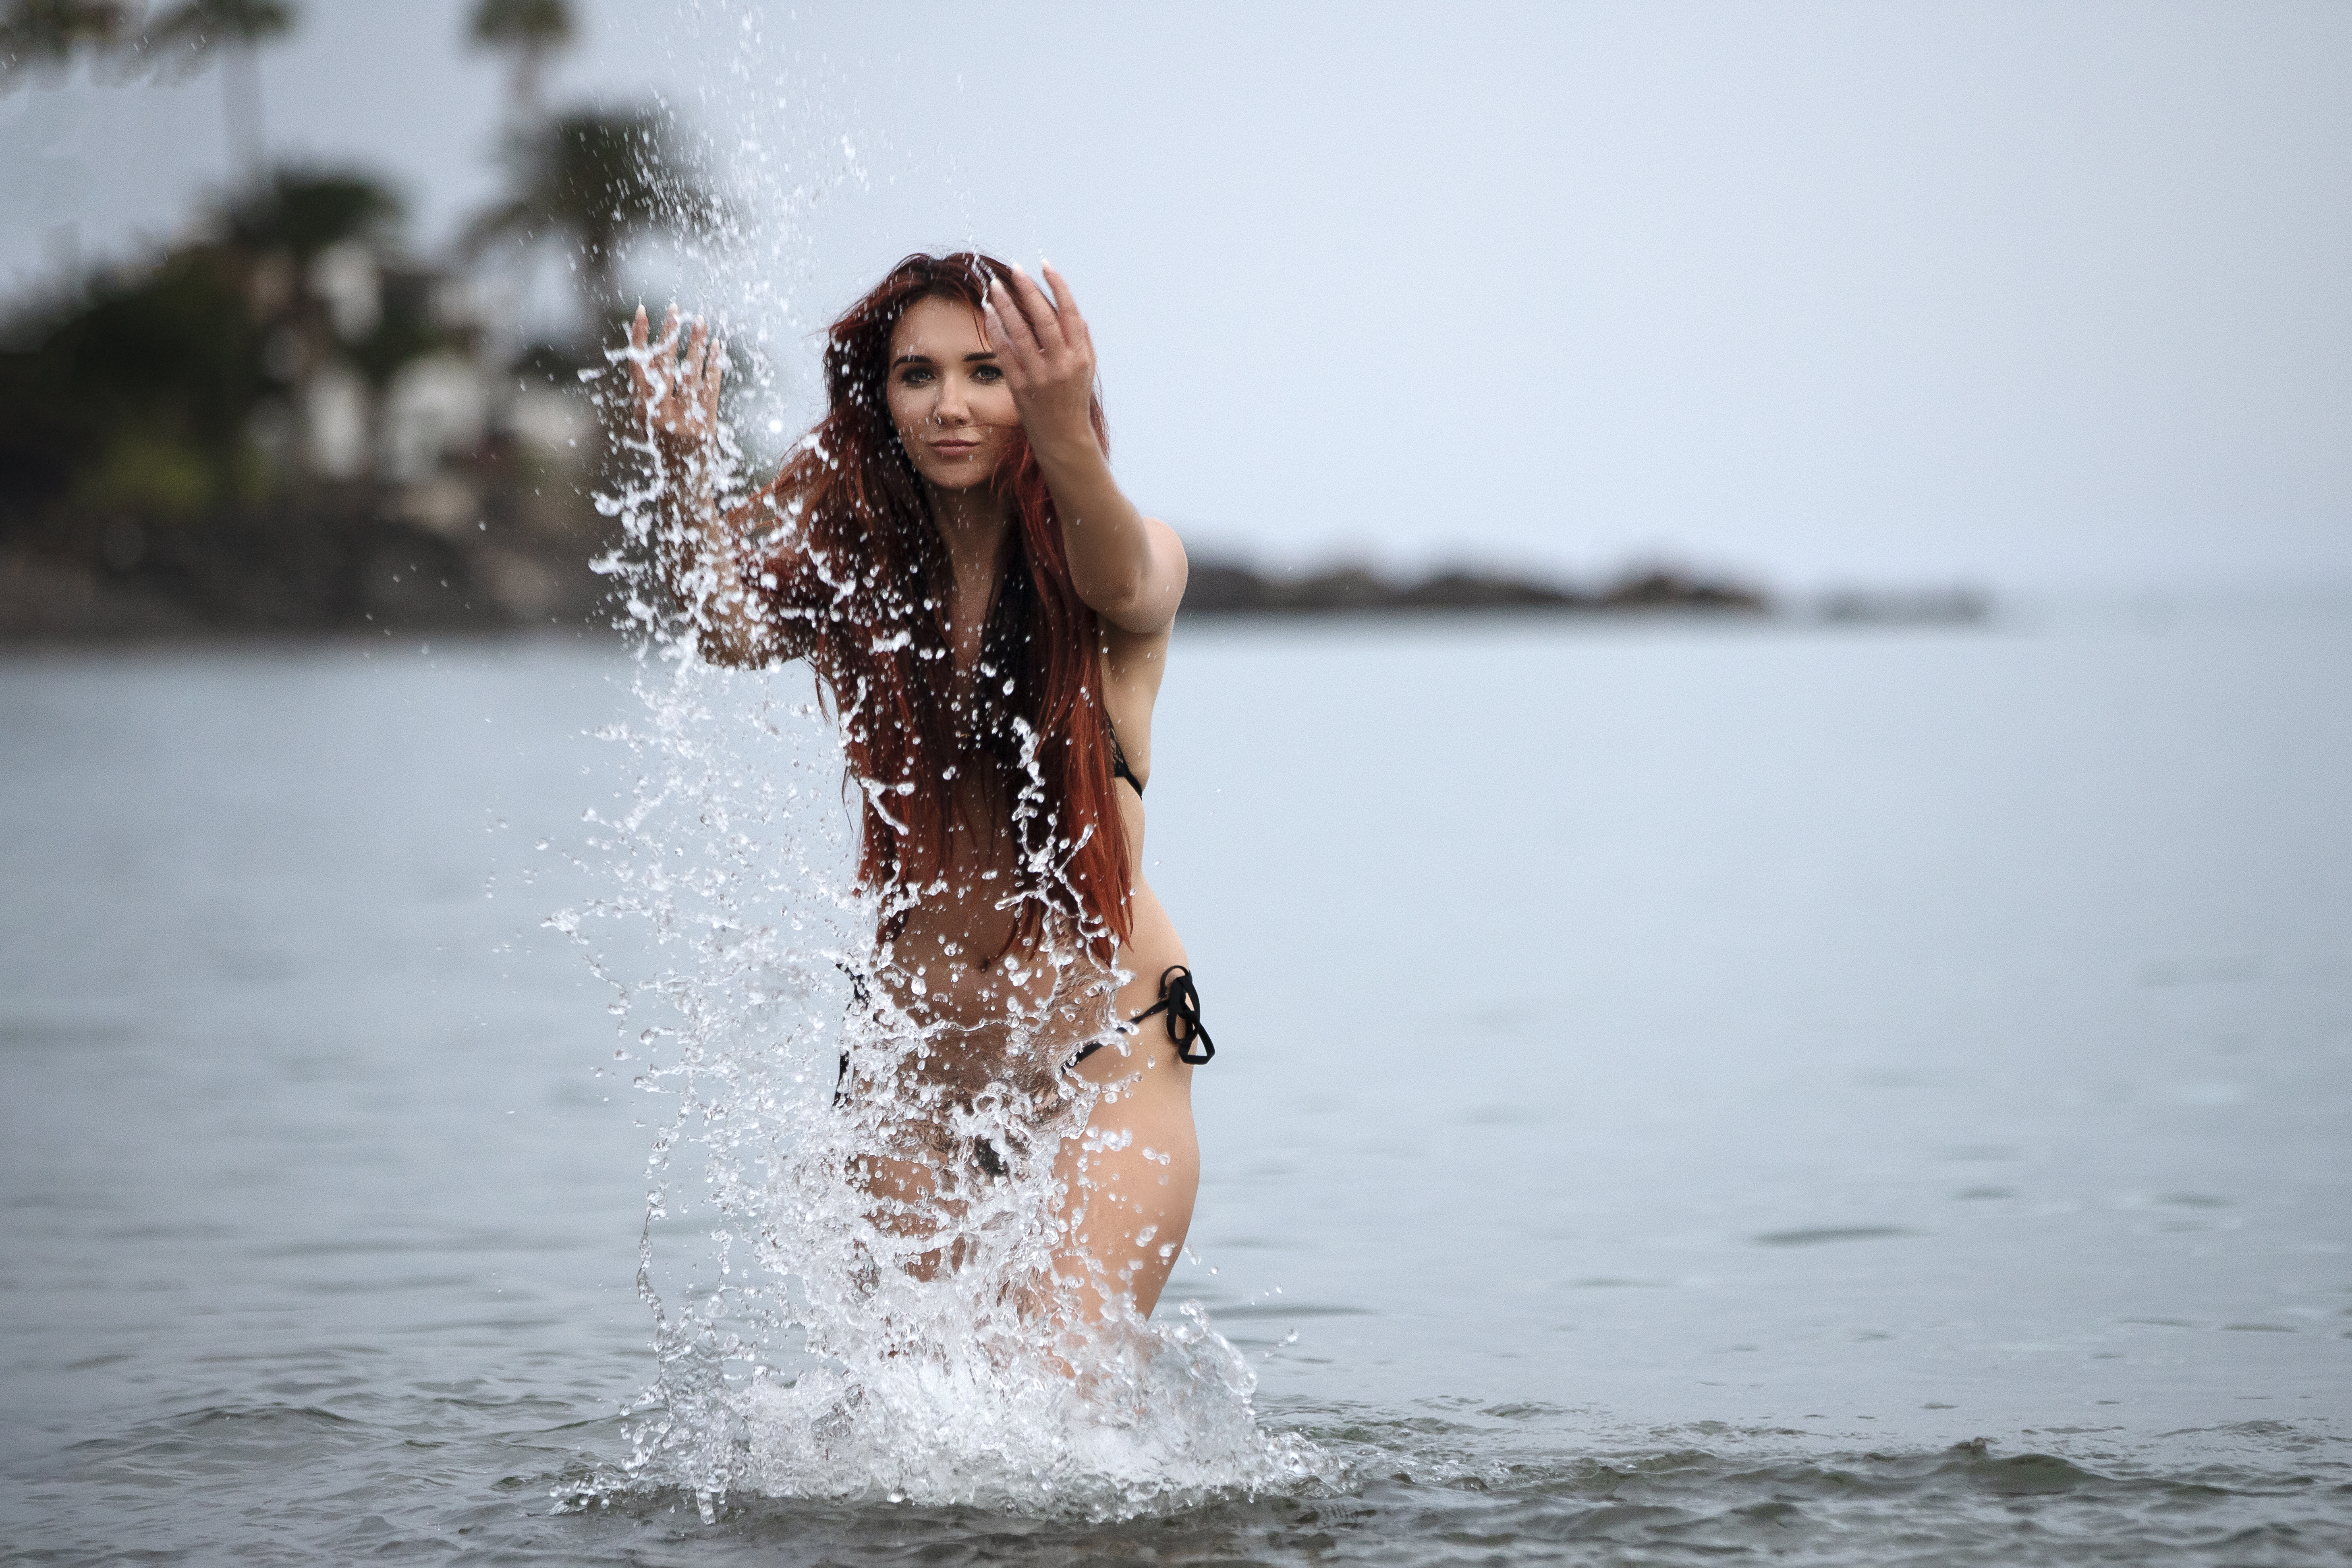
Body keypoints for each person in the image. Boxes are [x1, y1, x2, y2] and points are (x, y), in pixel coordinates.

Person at [622, 252, 1209, 1332]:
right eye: (917, 375)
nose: (950, 405)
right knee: (910, 1423)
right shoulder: (867, 577)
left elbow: (1129, 576)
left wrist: (1062, 426)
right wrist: (684, 472)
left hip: (1103, 1053)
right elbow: (727, 627)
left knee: (1059, 1394)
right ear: (881, 399)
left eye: (988, 373)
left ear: (1041, 386)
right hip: (915, 1075)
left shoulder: (1124, 568)